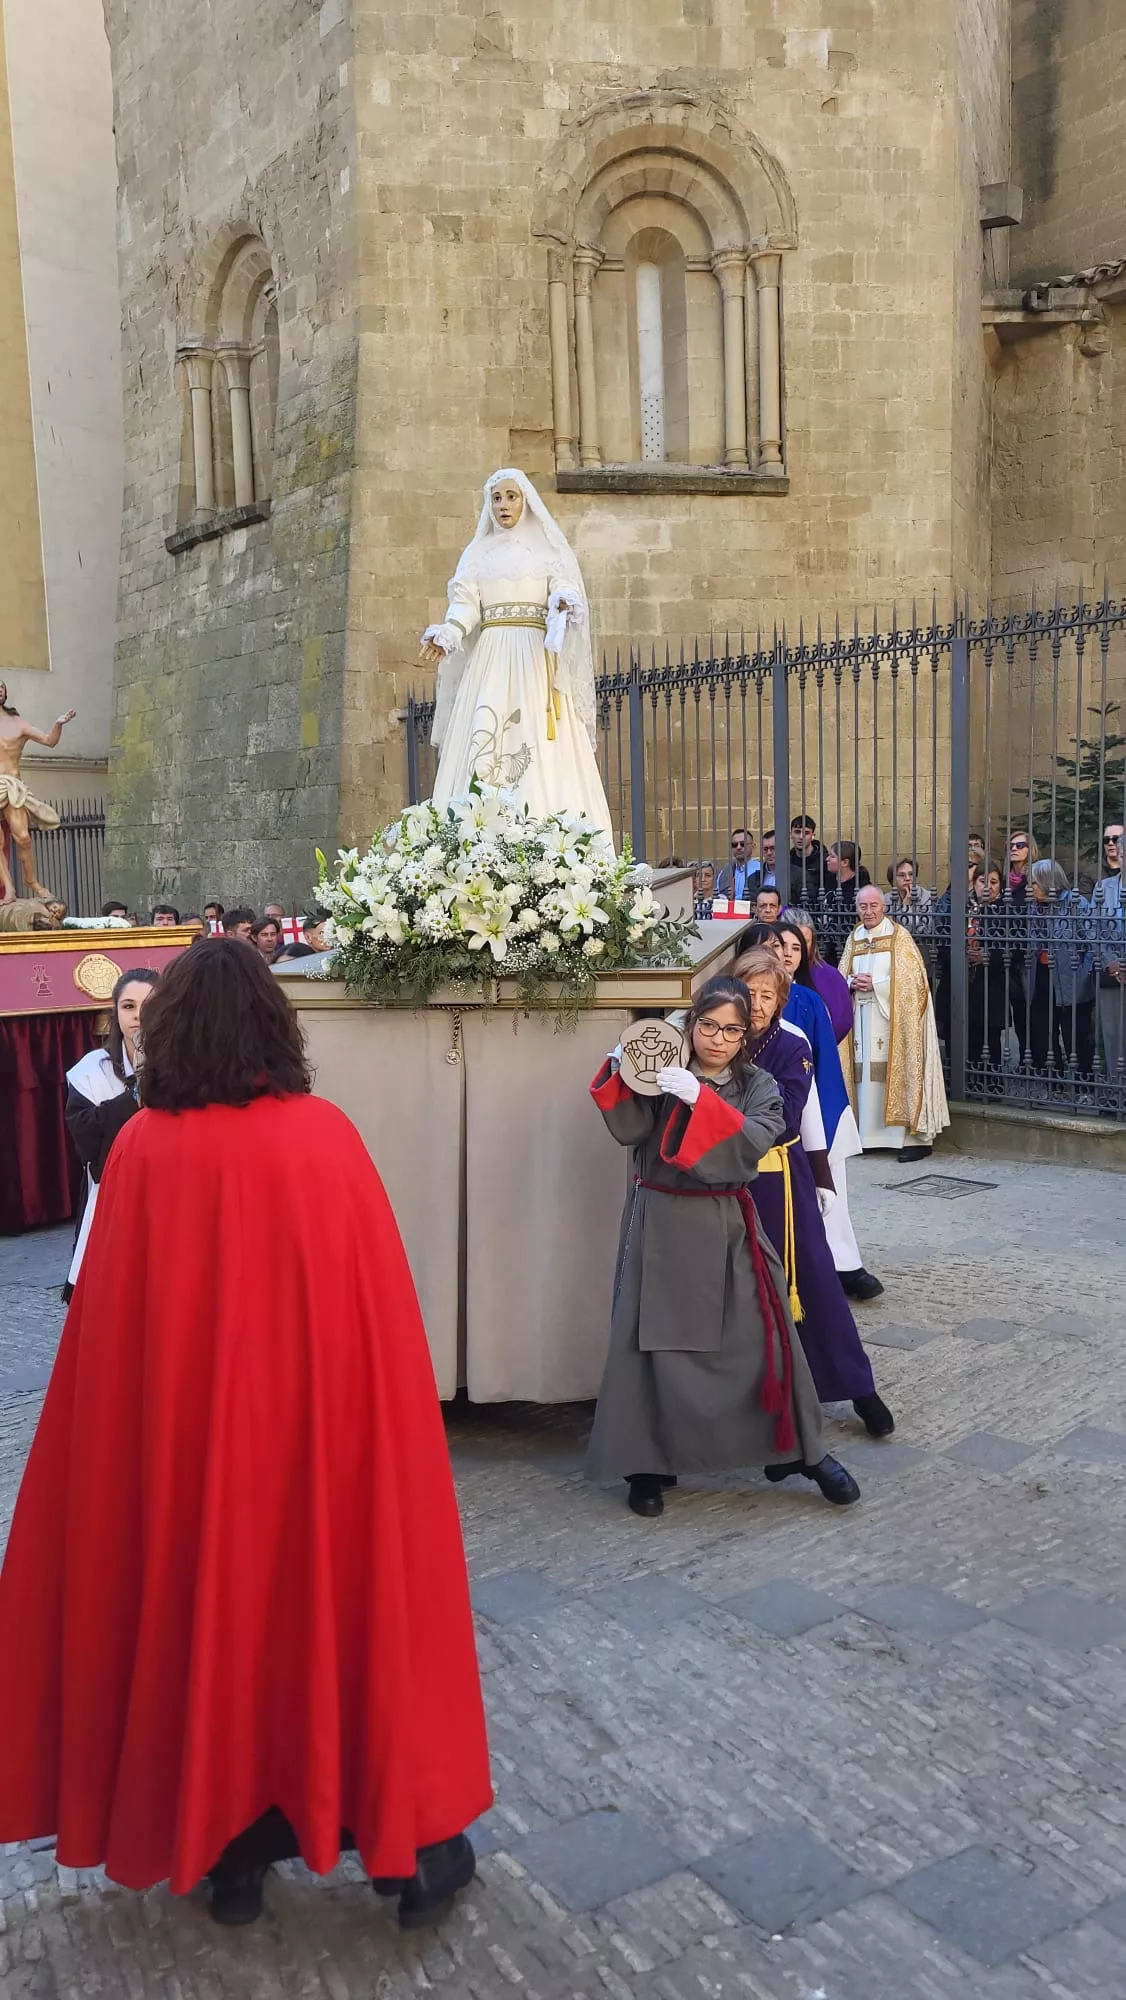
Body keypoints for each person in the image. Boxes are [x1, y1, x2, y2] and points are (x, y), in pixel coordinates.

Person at [0, 941, 490, 1928]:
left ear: (170, 1029)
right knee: (342, 1612)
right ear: (278, 1024)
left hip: (188, 1465)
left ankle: (227, 1851)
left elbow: (113, 1347)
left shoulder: (143, 1147)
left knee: (203, 1614)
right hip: (318, 1458)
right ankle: (406, 1848)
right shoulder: (325, 1137)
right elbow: (376, 1329)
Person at [585, 975, 860, 1518]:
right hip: (660, 1224)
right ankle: (647, 1465)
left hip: (728, 1222)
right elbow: (630, 1127)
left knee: (764, 1338)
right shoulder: (663, 1074)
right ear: (692, 1023)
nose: (717, 1039)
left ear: (744, 1034)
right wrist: (623, 1071)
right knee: (652, 1347)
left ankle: (798, 1449)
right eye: (707, 1025)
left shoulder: (758, 1084)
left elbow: (759, 1138)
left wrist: (702, 1104)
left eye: (731, 1031)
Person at [727, 949, 894, 1437]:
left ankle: (858, 1387)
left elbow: (793, 1115)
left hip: (779, 1179)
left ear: (782, 1000)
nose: (756, 1005)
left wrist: (822, 1179)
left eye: (767, 995)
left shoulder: (791, 1042)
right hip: (723, 1181)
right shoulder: (717, 1035)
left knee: (814, 1282)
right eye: (749, 993)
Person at [421, 468, 611, 831]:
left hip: (534, 658)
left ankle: (547, 825)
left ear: (526, 501)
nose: (503, 505)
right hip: (492, 654)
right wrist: (449, 631)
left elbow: (562, 587)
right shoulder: (477, 553)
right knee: (486, 730)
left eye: (511, 496)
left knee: (538, 739)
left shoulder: (547, 550)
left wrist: (563, 601)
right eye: (496, 498)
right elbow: (465, 605)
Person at [737, 923, 883, 1302]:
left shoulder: (805, 1001)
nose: (780, 954)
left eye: (787, 947)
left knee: (827, 1192)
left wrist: (829, 1122)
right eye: (770, 946)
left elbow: (823, 1062)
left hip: (807, 1114)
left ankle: (845, 1264)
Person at [62, 968, 161, 1304]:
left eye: (149, 1006)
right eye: (128, 1007)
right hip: (112, 1201)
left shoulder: (190, 1067)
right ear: (115, 1013)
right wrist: (131, 1099)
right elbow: (86, 1143)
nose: (138, 1017)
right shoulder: (91, 1071)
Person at [839, 885, 950, 1162]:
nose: (869, 911)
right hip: (861, 1018)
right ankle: (868, 1136)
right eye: (863, 906)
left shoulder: (899, 937)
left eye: (873, 905)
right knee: (865, 1075)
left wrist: (876, 985)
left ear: (884, 906)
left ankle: (910, 1139)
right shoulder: (855, 937)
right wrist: (851, 982)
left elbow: (915, 983)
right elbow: (842, 975)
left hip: (892, 1020)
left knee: (893, 1071)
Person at [0, 680, 77, 902]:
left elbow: (49, 741)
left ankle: (31, 881)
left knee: (23, 838)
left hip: (11, 786)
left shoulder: (18, 723)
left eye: (2, 686)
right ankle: (9, 890)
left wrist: (58, 724)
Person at [1026, 859, 1095, 1079]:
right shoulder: (1034, 907)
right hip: (1043, 976)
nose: (1031, 888)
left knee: (1076, 1036)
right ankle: (1053, 1082)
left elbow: (1093, 943)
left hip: (1071, 978)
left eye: (1035, 883)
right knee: (1046, 1032)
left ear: (1048, 882)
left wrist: (1083, 974)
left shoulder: (1075, 904)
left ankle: (1083, 1084)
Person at [1090, 822, 1126, 1085]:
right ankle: (1116, 1090)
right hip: (1112, 974)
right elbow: (1094, 930)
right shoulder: (1104, 888)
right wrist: (1112, 963)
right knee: (1113, 1035)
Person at [788, 815, 827, 904]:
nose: (801, 837)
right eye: (797, 832)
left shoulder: (824, 860)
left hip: (818, 911)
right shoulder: (787, 861)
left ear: (813, 836)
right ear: (790, 834)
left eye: (806, 833)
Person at [716, 829, 762, 902]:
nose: (738, 847)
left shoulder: (760, 869)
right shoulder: (724, 872)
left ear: (753, 846)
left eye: (743, 844)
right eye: (734, 845)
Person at [825, 841, 870, 908]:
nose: (827, 859)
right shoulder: (828, 879)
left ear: (845, 862)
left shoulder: (862, 888)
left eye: (832, 856)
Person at [1007, 830, 1038, 901]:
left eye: (1019, 845)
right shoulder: (1004, 880)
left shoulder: (1035, 878)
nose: (1013, 849)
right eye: (1010, 846)